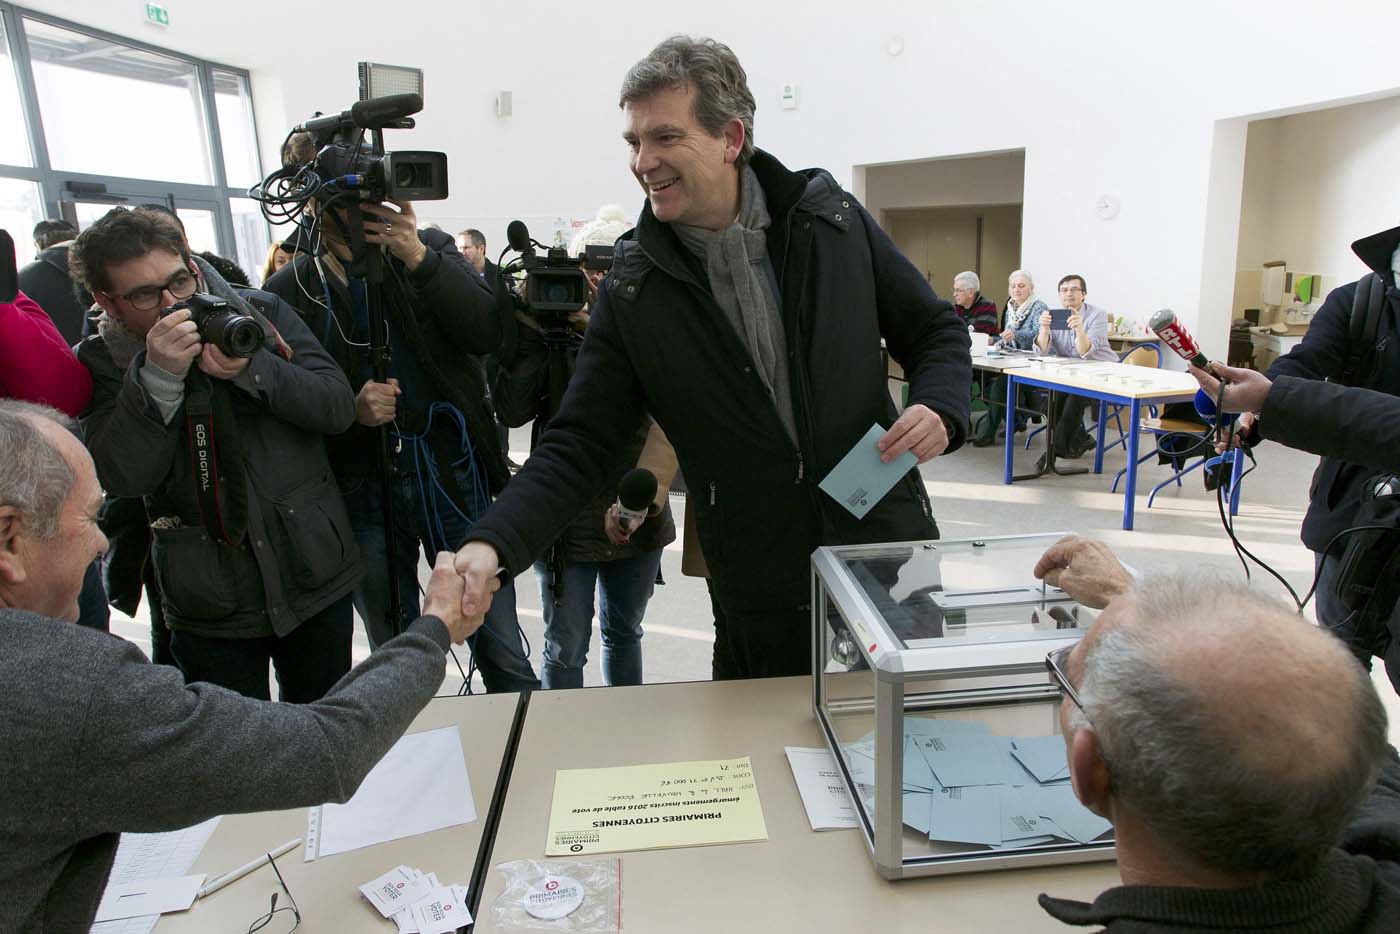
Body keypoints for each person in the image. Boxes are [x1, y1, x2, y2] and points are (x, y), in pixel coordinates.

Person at [454, 36, 971, 679]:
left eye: (665, 138)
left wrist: (940, 406)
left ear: (730, 138)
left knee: (909, 744)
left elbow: (935, 331)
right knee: (776, 756)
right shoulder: (634, 289)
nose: (644, 161)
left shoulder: (831, 223)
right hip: (759, 584)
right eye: (634, 142)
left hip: (885, 550)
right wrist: (492, 542)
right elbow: (579, 442)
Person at [0, 399, 482, 934]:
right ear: (10, 538)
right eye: (90, 517)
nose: (101, 542)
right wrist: (435, 628)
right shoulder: (70, 690)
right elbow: (326, 751)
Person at [264, 137, 537, 693]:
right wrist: (349, 409)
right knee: (395, 652)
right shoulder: (292, 288)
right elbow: (283, 400)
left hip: (448, 469)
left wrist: (417, 256)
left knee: (500, 642)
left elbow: (488, 331)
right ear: (315, 204)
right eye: (350, 204)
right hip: (359, 487)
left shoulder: (427, 253)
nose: (367, 214)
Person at [1032, 536, 1400, 931]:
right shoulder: (1385, 838)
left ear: (1091, 769)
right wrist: (1133, 601)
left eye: (1069, 675)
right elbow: (1305, 705)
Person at [71, 207, 364, 702]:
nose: (172, 303)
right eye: (145, 294)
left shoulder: (259, 315)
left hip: (312, 569)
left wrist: (254, 371)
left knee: (327, 733)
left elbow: (336, 407)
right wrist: (158, 378)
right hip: (210, 598)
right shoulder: (101, 360)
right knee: (232, 756)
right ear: (108, 301)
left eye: (180, 281)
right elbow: (124, 476)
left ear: (190, 261)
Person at [494, 206, 677, 689]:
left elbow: (665, 416)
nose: (598, 280)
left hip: (634, 505)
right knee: (566, 645)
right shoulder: (551, 331)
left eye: (610, 268)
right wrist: (533, 336)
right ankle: (565, 745)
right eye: (590, 268)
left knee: (623, 632)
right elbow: (513, 412)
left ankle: (622, 740)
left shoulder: (648, 324)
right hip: (563, 516)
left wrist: (600, 328)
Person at [1034, 274, 1115, 459]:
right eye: (1064, 290)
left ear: (1084, 294)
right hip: (1072, 374)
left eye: (1074, 289)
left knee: (1073, 400)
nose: (1068, 294)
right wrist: (1044, 330)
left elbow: (1084, 351)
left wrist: (1079, 329)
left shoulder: (1097, 315)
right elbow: (1042, 351)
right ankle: (1082, 439)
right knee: (1051, 402)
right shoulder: (1054, 315)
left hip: (1101, 372)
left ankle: (1052, 454)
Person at [972, 269, 1045, 446]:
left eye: (1021, 286)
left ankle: (988, 433)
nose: (1016, 289)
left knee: (998, 388)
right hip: (1011, 357)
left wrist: (1016, 335)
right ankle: (1016, 420)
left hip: (1033, 361)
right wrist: (994, 339)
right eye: (1013, 286)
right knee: (989, 389)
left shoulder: (1039, 307)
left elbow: (1039, 334)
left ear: (1031, 288)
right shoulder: (1010, 307)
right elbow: (1007, 336)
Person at [18, 218, 90, 345]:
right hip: (110, 354)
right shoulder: (100, 263)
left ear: (37, 244)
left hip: (60, 357)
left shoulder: (24, 278)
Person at [951, 270, 999, 336]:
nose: (954, 294)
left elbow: (979, 335)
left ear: (970, 292)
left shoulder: (987, 306)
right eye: (954, 290)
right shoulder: (954, 308)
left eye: (958, 290)